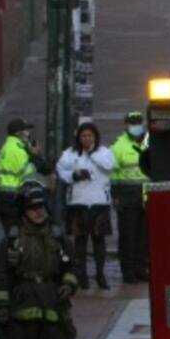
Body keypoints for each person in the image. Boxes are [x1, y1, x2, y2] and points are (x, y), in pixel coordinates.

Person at [0, 181, 78, 339]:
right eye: (32, 208)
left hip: (53, 305)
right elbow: (1, 275)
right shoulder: (12, 240)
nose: (39, 212)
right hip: (24, 308)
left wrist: (68, 284)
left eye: (41, 207)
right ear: (23, 210)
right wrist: (2, 307)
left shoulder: (57, 235)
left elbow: (73, 266)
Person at [55, 121, 115, 290]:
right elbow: (60, 169)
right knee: (80, 241)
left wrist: (92, 153)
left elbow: (109, 166)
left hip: (99, 202)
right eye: (83, 136)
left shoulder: (104, 152)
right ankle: (82, 276)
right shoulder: (70, 153)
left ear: (95, 137)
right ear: (79, 137)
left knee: (99, 241)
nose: (87, 139)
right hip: (78, 202)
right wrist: (74, 176)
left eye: (90, 135)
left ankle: (100, 274)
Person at [110, 111, 150, 284]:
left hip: (147, 195)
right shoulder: (118, 146)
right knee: (128, 236)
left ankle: (141, 269)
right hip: (126, 195)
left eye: (138, 122)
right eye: (132, 123)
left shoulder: (150, 141)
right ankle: (128, 272)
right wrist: (115, 197)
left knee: (144, 236)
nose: (136, 126)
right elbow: (112, 175)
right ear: (126, 125)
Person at [0, 117, 50, 234]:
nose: (28, 134)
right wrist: (35, 156)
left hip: (6, 199)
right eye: (26, 130)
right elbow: (29, 173)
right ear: (19, 133)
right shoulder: (16, 150)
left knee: (13, 236)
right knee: (16, 237)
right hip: (13, 200)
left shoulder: (9, 147)